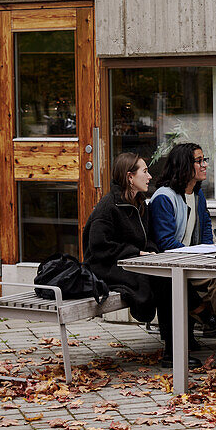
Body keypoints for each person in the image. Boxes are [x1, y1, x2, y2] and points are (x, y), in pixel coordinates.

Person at [149, 142, 216, 342]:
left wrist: (208, 254)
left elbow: (205, 228)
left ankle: (202, 315)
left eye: (205, 160)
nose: (205, 165)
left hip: (194, 262)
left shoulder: (197, 194)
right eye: (199, 161)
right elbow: (166, 243)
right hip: (173, 266)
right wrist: (199, 257)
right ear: (183, 165)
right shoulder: (163, 197)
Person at [83, 152, 173, 363]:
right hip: (105, 267)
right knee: (162, 281)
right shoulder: (108, 206)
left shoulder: (140, 204)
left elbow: (148, 239)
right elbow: (98, 247)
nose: (150, 176)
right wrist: (135, 253)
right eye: (145, 171)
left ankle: (175, 347)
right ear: (130, 177)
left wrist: (149, 252)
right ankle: (173, 350)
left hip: (129, 263)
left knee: (169, 277)